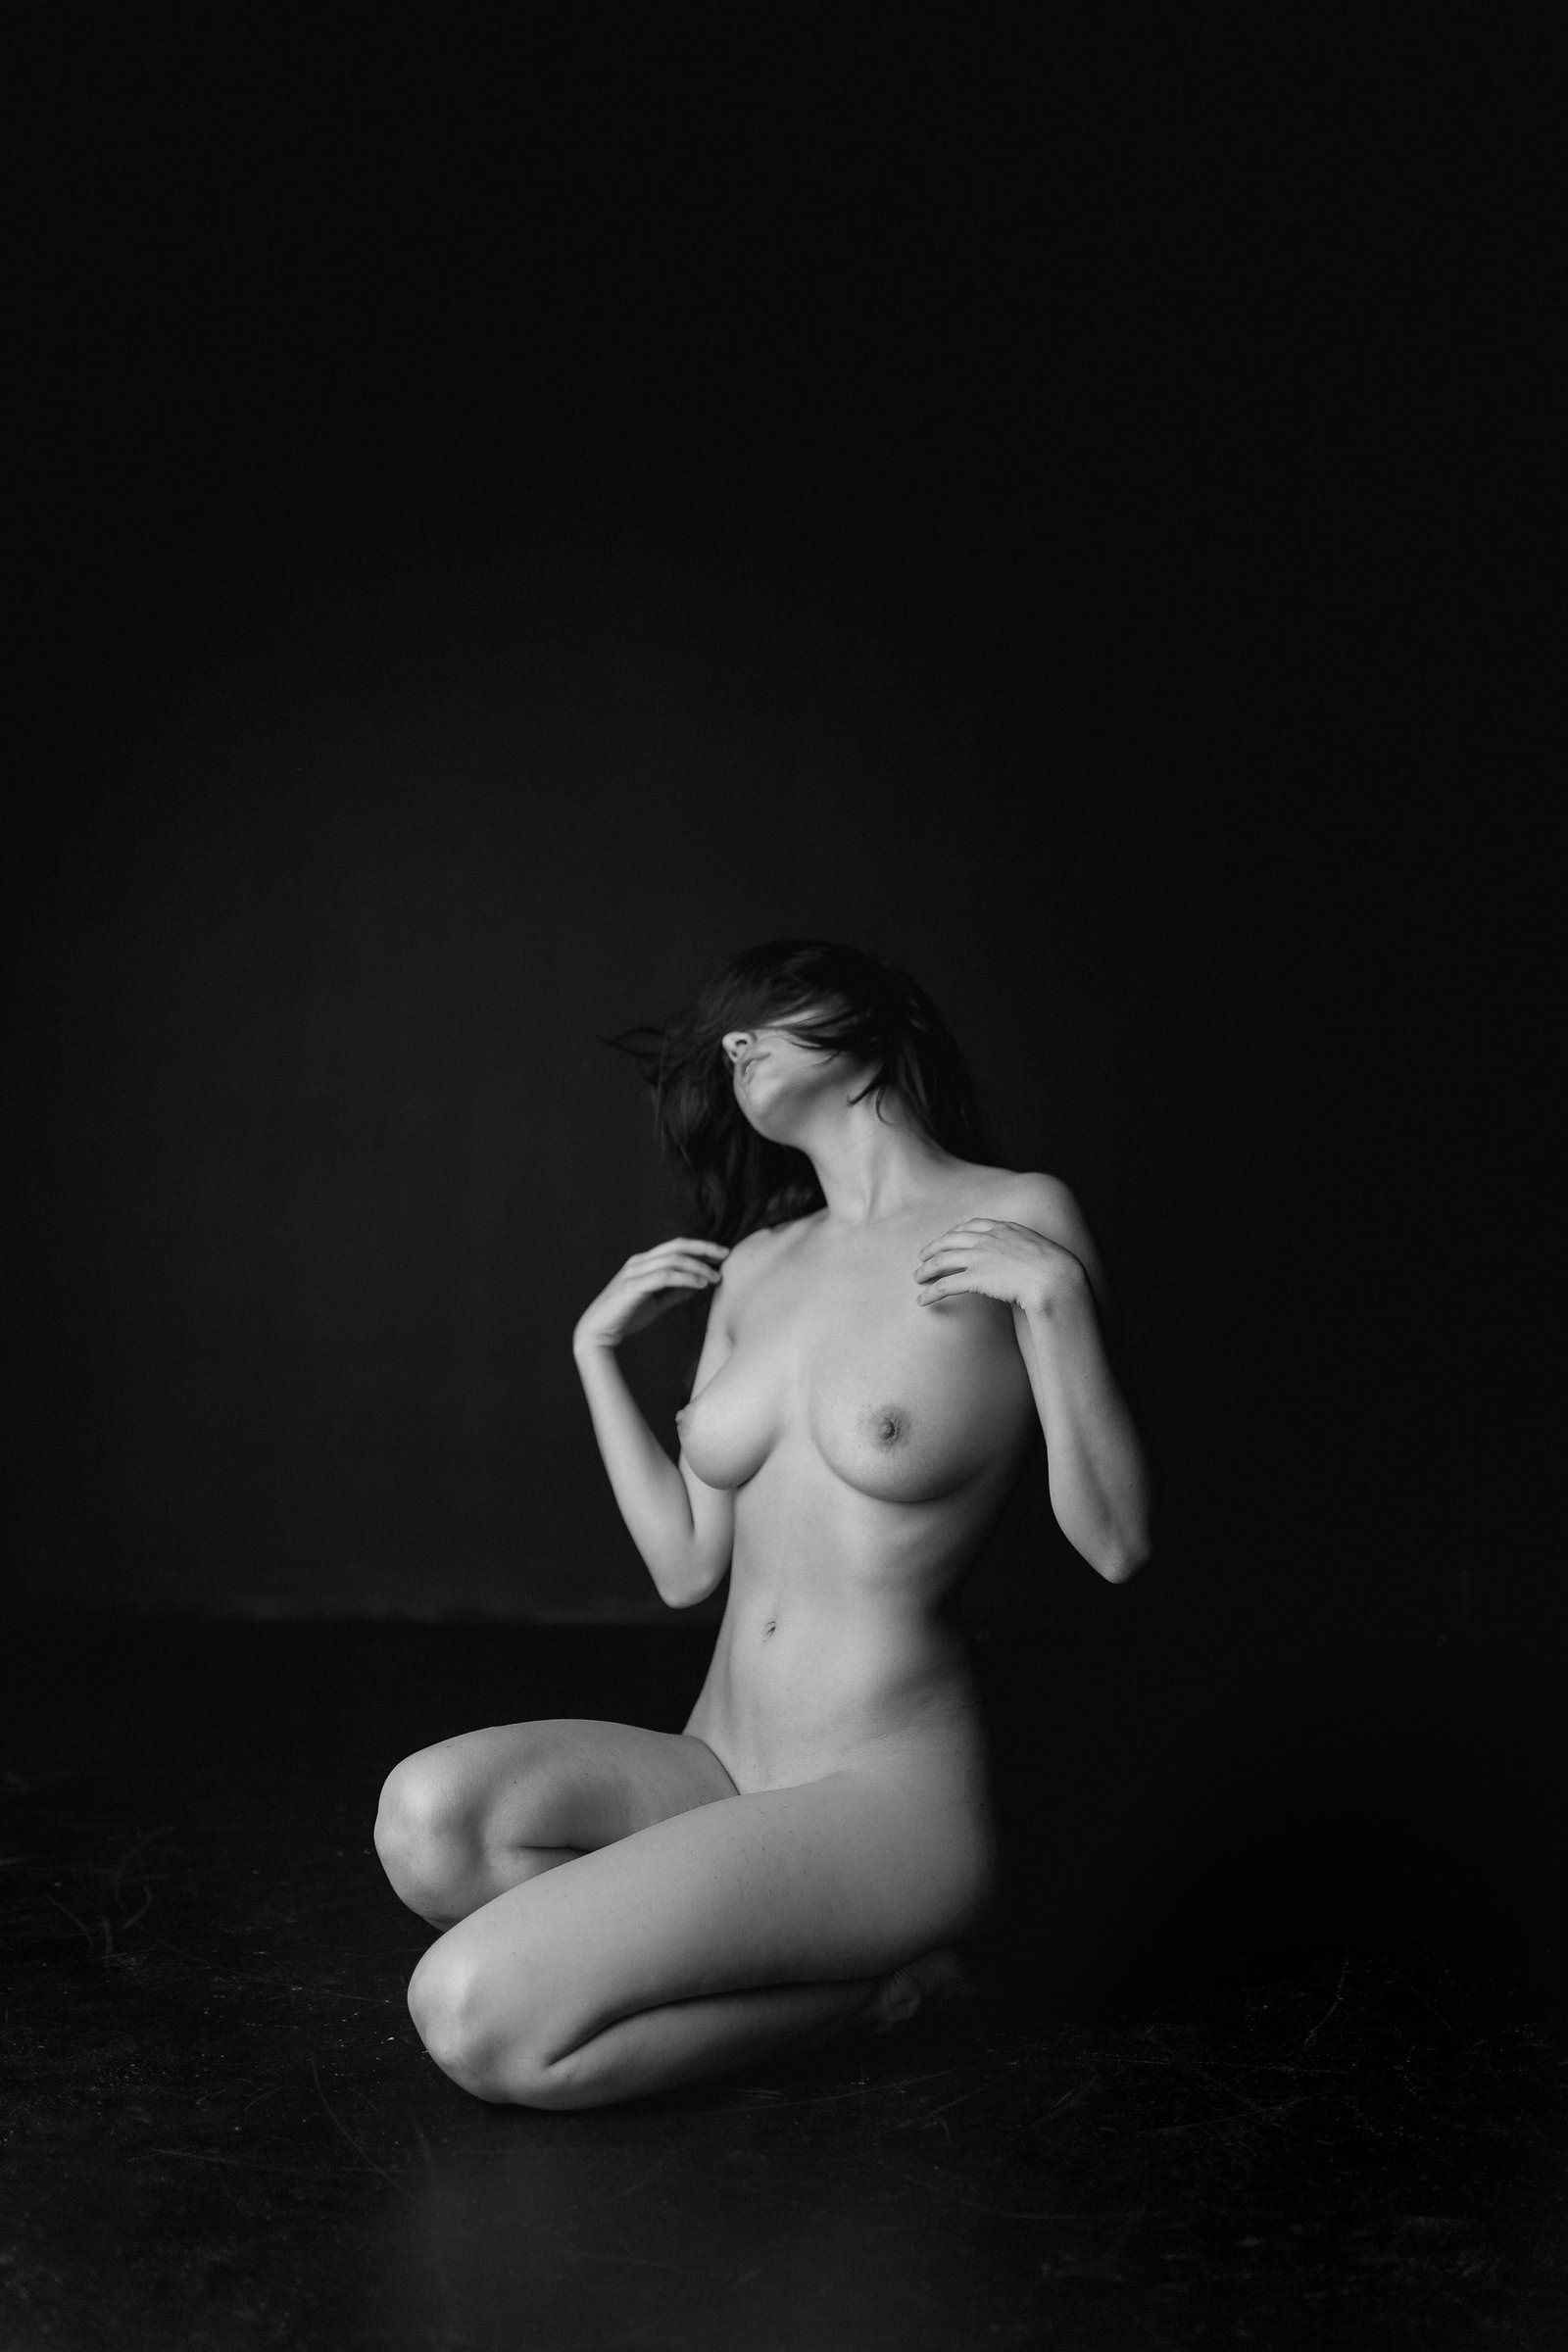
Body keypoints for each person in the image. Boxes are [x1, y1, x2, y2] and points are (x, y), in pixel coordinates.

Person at [374, 940, 1152, 2108]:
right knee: (428, 1822)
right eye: (724, 1036)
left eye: (770, 1012)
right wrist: (594, 1355)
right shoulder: (758, 1266)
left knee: (473, 2018)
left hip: (880, 1793)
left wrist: (1057, 1300)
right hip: (717, 1762)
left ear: (874, 1023)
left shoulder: (1019, 1218)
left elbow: (1117, 1544)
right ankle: (804, 1953)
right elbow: (686, 1567)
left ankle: (884, 1990)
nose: (736, 1042)